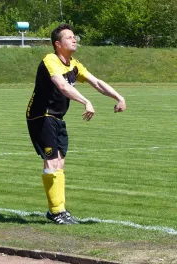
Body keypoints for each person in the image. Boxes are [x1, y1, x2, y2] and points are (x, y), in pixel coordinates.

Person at [26, 24, 126, 225]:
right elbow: (62, 86)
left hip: (57, 118)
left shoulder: (74, 64)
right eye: (69, 37)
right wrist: (85, 101)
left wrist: (118, 96)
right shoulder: (50, 60)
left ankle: (58, 209)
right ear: (58, 43)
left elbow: (96, 82)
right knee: (52, 162)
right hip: (41, 116)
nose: (74, 40)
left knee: (59, 163)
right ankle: (57, 212)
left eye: (75, 37)